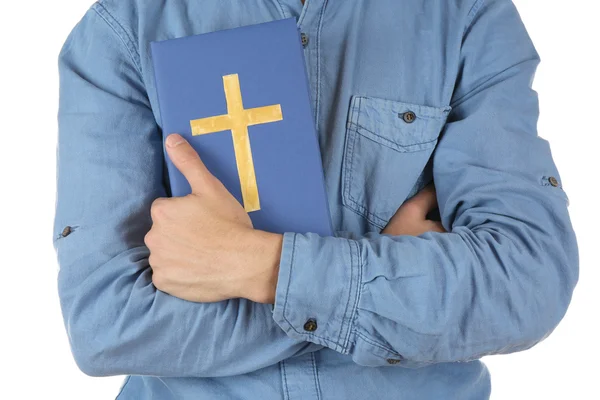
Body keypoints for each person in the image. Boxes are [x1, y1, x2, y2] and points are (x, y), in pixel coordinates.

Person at [53, 0, 578, 399]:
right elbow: (106, 326)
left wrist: (256, 267)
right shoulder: (122, 27)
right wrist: (392, 288)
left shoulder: (465, 15)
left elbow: (528, 283)